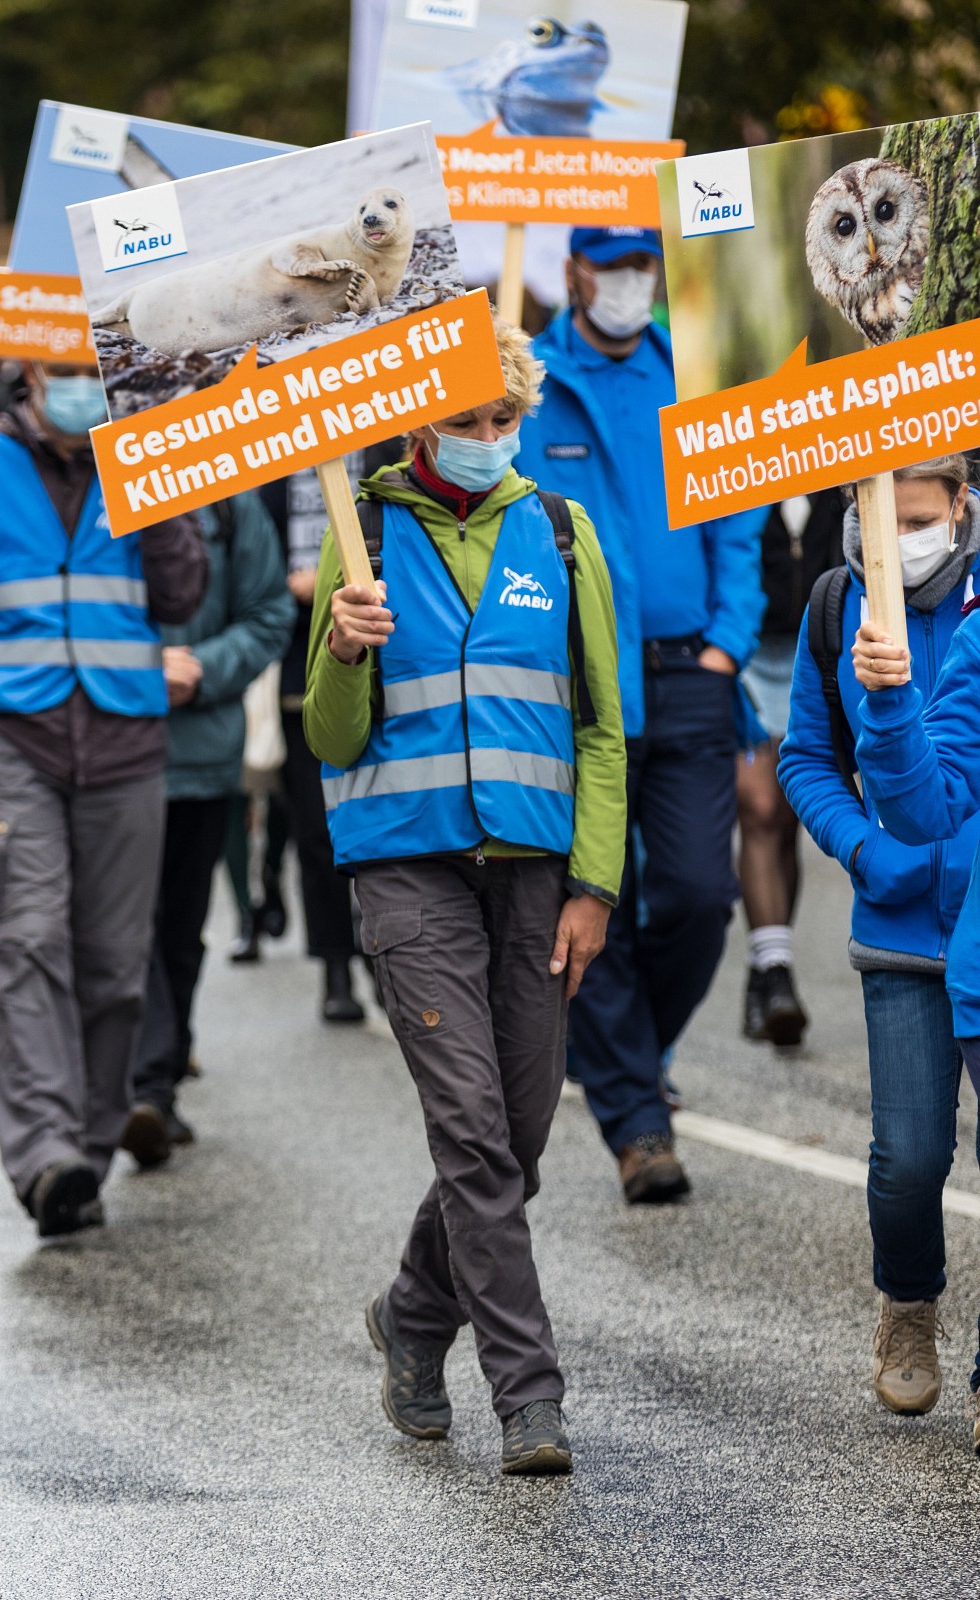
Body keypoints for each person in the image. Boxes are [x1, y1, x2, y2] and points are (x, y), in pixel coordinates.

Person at [305, 319, 626, 1474]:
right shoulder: (366, 531)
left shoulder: (559, 526)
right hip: (406, 868)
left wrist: (593, 881)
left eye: (506, 419)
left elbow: (600, 724)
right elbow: (329, 741)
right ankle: (528, 1396)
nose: (491, 438)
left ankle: (409, 1310)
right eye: (469, 418)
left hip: (535, 873)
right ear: (419, 417)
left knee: (522, 1139)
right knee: (474, 1140)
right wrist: (342, 650)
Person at [0, 362, 206, 1237]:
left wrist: (160, 478)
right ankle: (44, 1156)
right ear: (29, 369)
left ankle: (89, 1150)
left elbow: (184, 594)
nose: (79, 384)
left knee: (112, 967)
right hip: (11, 748)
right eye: (64, 370)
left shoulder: (144, 456)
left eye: (92, 370)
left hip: (124, 746)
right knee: (24, 942)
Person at [516, 225, 766, 1203]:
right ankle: (636, 1123)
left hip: (693, 673)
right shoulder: (528, 378)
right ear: (572, 270)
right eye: (609, 263)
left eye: (641, 264)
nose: (628, 281)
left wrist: (725, 644)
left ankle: (619, 1055)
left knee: (703, 895)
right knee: (596, 900)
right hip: (580, 687)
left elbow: (741, 517)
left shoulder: (694, 368)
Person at [819, 457, 980, 1444]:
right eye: (894, 515)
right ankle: (908, 1303)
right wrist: (866, 846)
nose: (912, 530)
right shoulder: (839, 599)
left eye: (928, 513)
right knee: (912, 1156)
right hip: (907, 925)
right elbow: (816, 756)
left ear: (963, 501)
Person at [124, 491, 293, 1166]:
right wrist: (139, 668)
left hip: (199, 756)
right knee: (123, 923)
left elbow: (268, 612)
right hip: (108, 754)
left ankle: (154, 1085)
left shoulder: (230, 504)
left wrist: (203, 670)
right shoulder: (93, 489)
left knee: (178, 926)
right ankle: (144, 1084)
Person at [259, 465, 368, 1021]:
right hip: (298, 670)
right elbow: (251, 560)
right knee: (317, 831)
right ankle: (335, 964)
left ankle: (380, 947)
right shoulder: (273, 465)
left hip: (381, 661)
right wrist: (291, 584)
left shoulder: (382, 449)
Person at [738, 492, 843, 1047]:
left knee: (786, 815)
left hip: (818, 658)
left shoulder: (842, 471)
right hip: (748, 655)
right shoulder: (742, 470)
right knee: (758, 807)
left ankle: (766, 965)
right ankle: (777, 973)